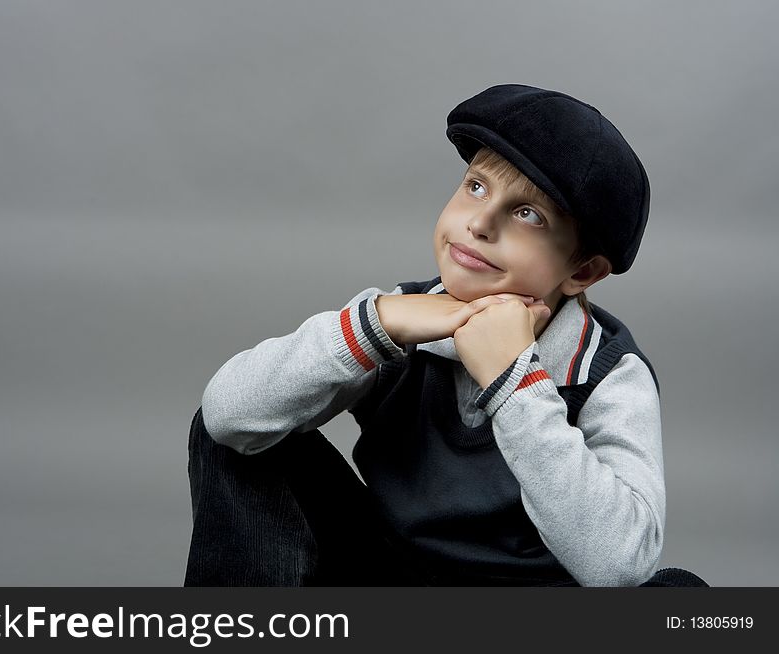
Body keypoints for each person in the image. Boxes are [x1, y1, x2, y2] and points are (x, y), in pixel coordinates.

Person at [184, 83, 709, 587]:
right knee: (243, 431)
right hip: (391, 575)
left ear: (583, 272)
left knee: (675, 598)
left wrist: (515, 383)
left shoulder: (608, 373)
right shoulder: (401, 322)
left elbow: (619, 567)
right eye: (476, 186)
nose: (479, 222)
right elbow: (228, 417)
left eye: (528, 214)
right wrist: (376, 325)